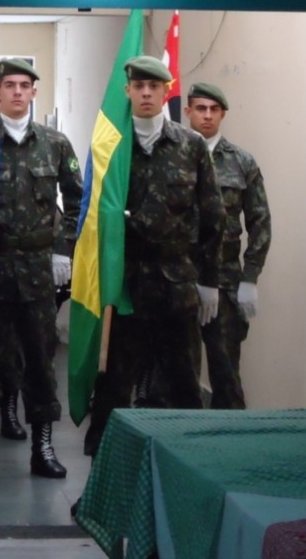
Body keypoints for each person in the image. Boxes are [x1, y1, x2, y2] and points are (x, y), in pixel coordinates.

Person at [83, 55, 226, 456]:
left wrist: (209, 281)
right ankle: (104, 471)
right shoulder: (112, 146)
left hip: (176, 285)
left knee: (185, 385)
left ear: (166, 91)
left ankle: (191, 468)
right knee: (113, 385)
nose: (146, 93)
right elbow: (92, 215)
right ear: (127, 91)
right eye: (139, 86)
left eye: (154, 86)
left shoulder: (190, 146)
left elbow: (213, 217)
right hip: (125, 284)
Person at [0, 58, 83, 480]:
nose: (16, 91)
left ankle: (43, 446)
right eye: (8, 84)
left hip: (38, 271)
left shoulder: (54, 143)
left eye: (23, 85)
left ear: (33, 92)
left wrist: (63, 250)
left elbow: (77, 200)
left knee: (41, 360)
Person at [186, 82, 271, 408]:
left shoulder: (241, 162)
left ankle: (230, 437)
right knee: (177, 375)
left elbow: (260, 221)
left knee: (226, 374)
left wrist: (250, 277)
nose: (207, 115)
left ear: (222, 114)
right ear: (188, 111)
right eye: (201, 108)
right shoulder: (172, 156)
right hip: (179, 279)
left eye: (214, 109)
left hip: (225, 281)